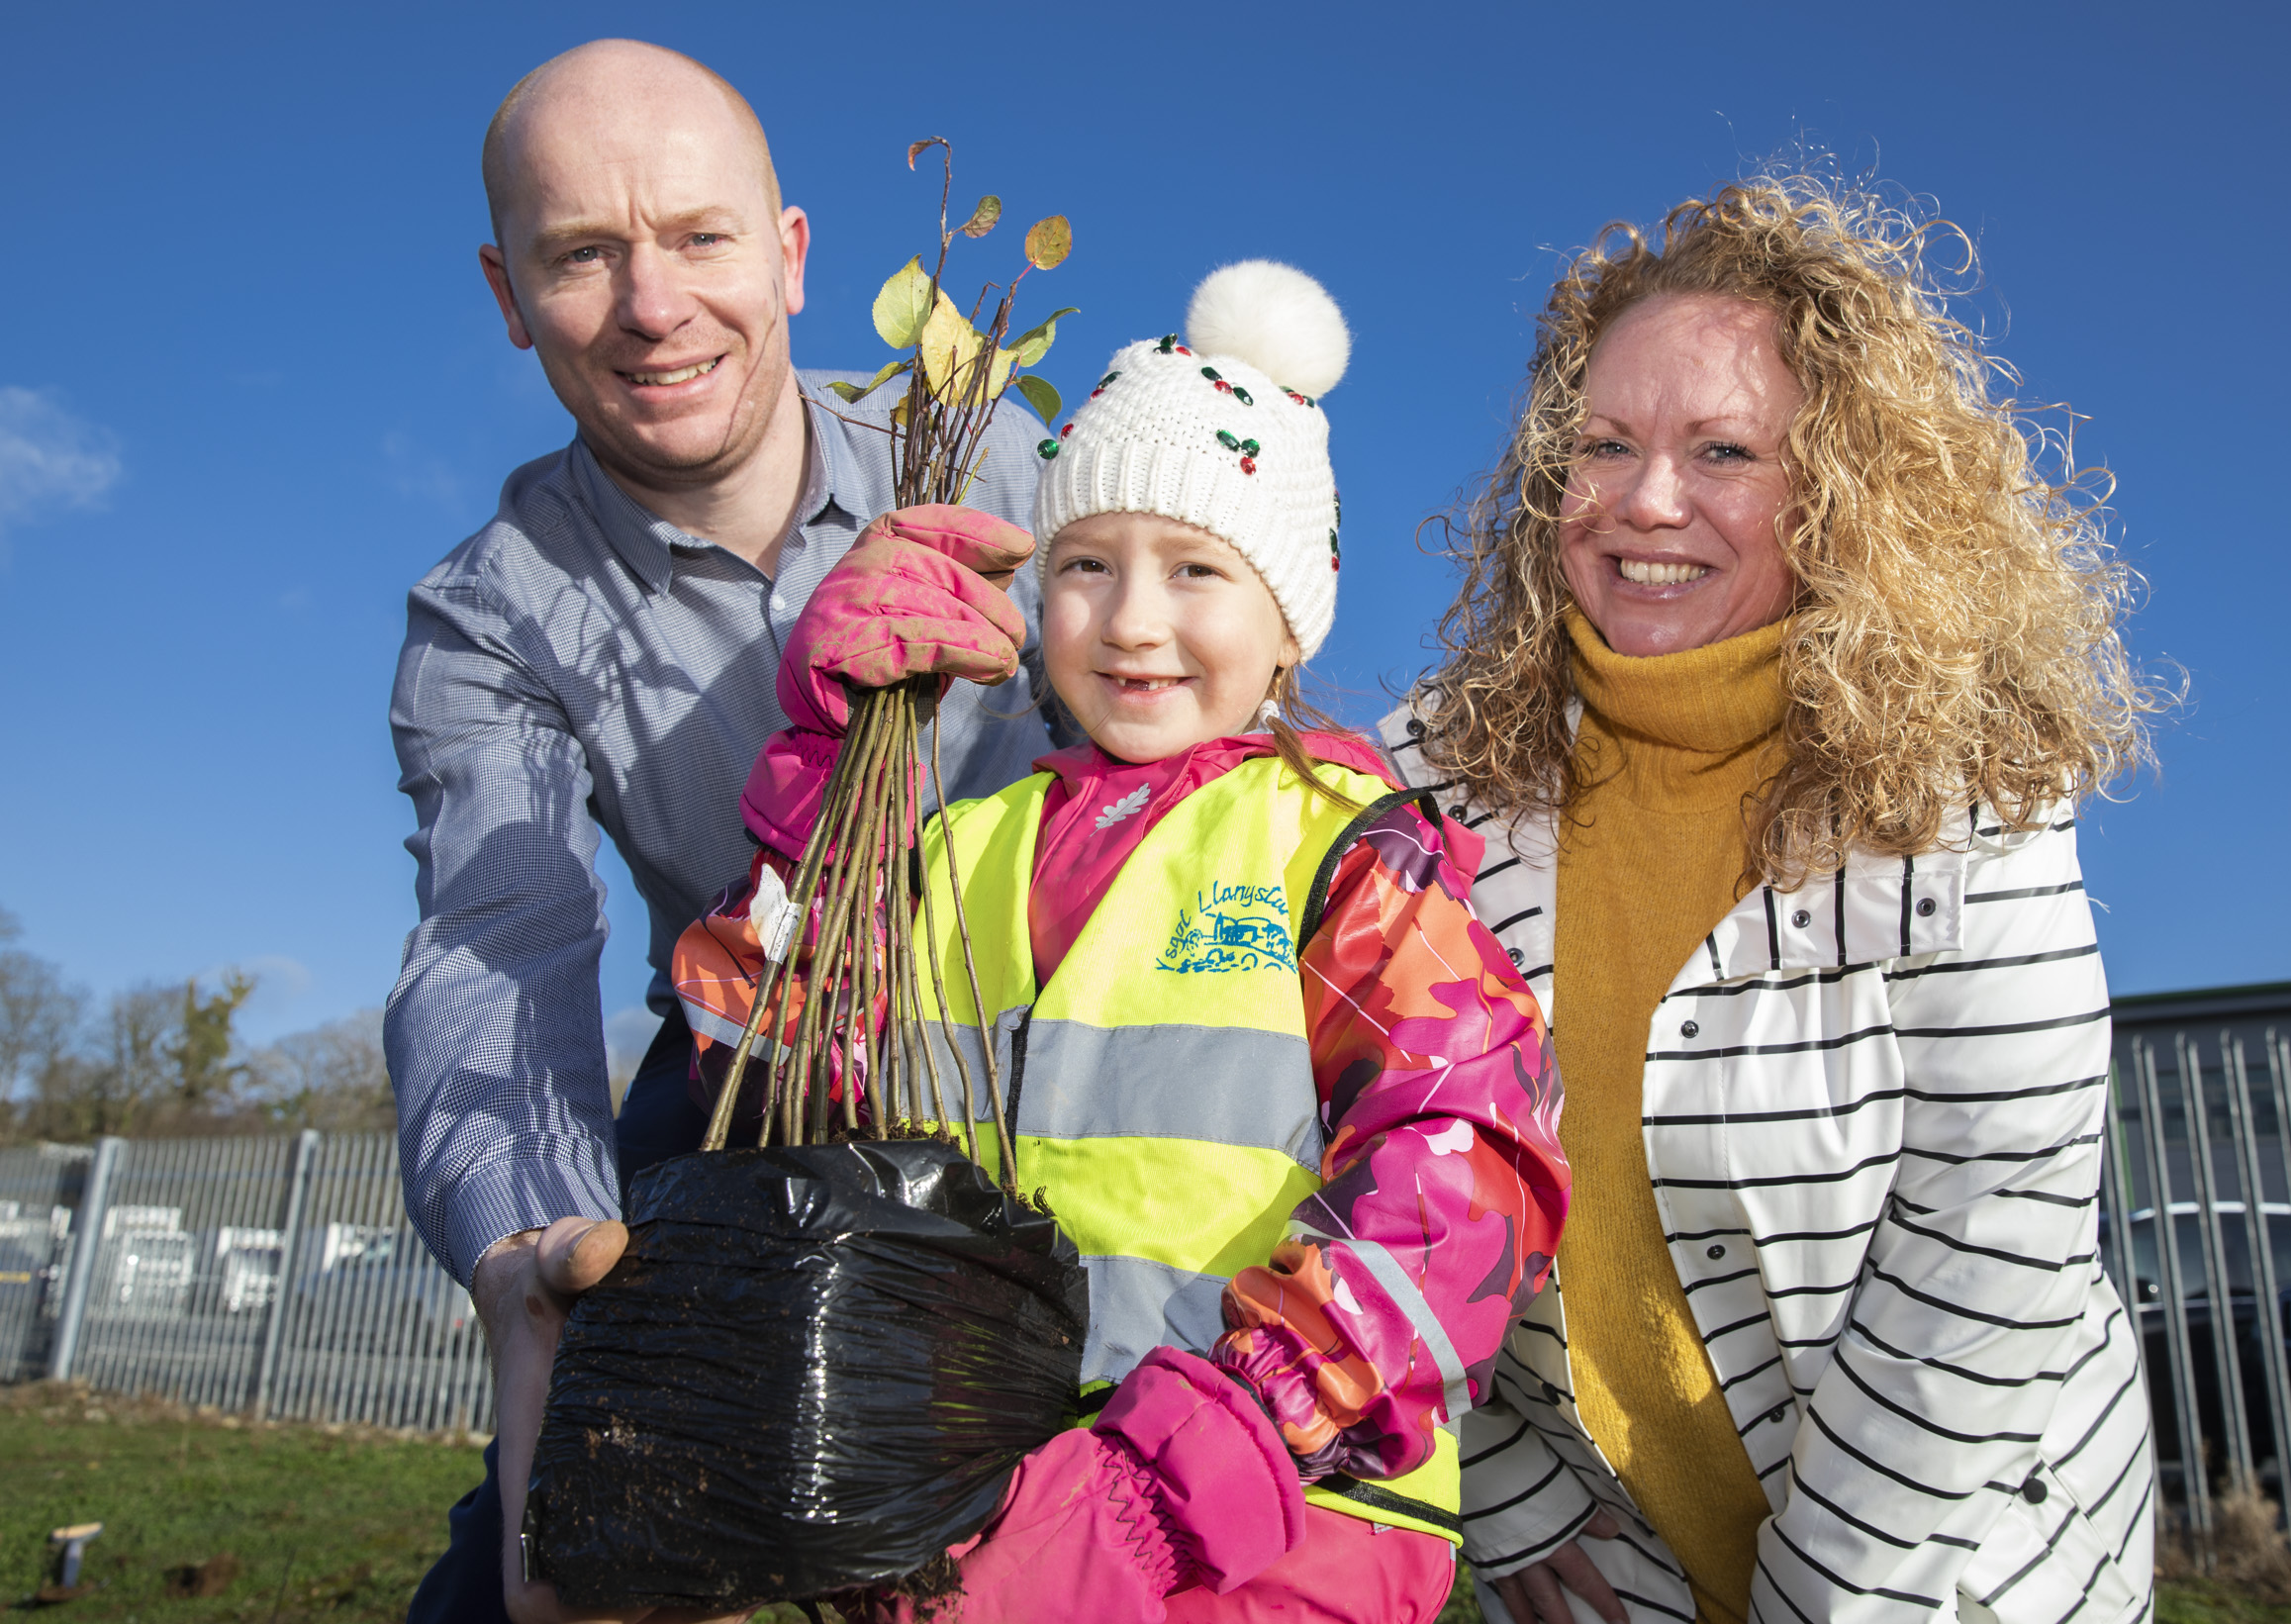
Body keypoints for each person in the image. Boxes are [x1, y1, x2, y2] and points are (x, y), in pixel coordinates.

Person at [671, 261, 1570, 1623]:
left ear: (1286, 627)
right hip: (972, 1507)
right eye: (1085, 564)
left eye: (1196, 568)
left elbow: (1466, 1158)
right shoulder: (961, 847)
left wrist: (1195, 1466)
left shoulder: (1336, 848)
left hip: (1272, 1529)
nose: (1133, 619)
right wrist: (824, 778)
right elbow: (764, 1077)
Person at [1379, 176, 2159, 1623]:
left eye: (1722, 449)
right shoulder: (1436, 776)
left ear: (1841, 483)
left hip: (1946, 1567)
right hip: (1606, 1571)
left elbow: (1994, 1226)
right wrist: (1494, 1478)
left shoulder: (1962, 776)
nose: (1646, 500)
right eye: (1603, 443)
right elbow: (1358, 1138)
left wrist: (1826, 1597)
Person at [387, 40, 1060, 1624]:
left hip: (1058, 1061)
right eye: (582, 256)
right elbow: (503, 942)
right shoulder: (490, 615)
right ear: (507, 292)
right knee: (530, 1561)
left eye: (699, 237)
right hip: (748, 1069)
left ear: (792, 255)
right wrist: (535, 1256)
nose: (653, 306)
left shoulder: (1005, 458)